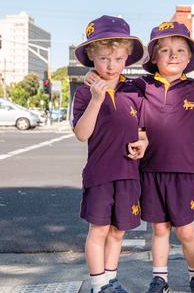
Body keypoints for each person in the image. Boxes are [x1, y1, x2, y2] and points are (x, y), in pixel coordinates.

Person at [87, 21, 194, 293]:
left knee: (187, 231)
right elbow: (112, 82)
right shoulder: (140, 86)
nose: (173, 55)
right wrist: (93, 78)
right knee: (159, 229)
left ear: (190, 57)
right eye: (165, 50)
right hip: (150, 169)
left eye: (180, 50)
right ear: (153, 57)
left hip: (184, 172)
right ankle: (160, 278)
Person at [71, 15, 149, 293]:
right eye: (104, 58)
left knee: (118, 231)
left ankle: (111, 281)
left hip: (128, 173)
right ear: (92, 57)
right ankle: (98, 284)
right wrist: (96, 99)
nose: (111, 65)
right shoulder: (84, 93)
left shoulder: (135, 91)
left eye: (118, 58)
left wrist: (144, 142)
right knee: (99, 230)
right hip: (100, 174)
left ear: (127, 57)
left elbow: (142, 130)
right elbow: (82, 133)